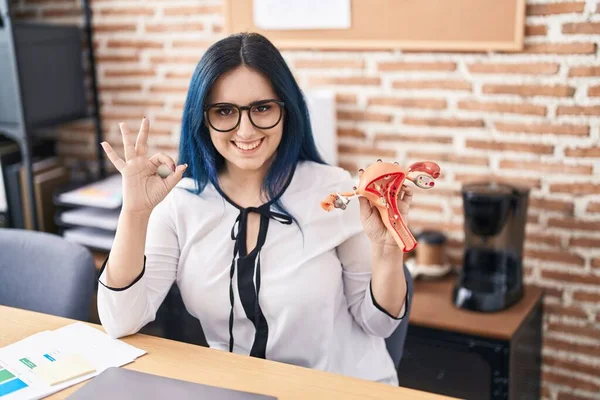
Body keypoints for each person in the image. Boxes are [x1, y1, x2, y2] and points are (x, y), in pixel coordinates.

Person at [97, 32, 412, 386]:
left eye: (262, 108)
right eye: (225, 111)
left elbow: (379, 324)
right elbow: (119, 322)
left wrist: (386, 253)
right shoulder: (180, 202)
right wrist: (136, 214)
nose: (245, 131)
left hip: (340, 387)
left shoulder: (333, 191)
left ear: (286, 109)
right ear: (202, 118)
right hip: (237, 390)